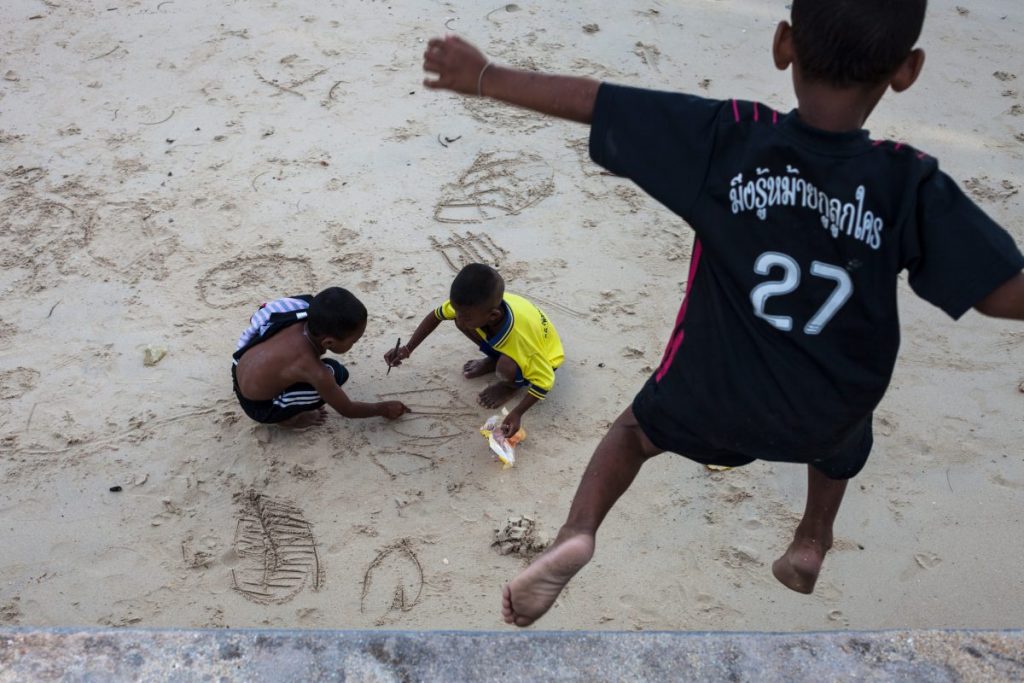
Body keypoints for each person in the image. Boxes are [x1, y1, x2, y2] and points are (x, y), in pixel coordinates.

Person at [421, 0, 1024, 627]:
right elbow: (999, 293)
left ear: (784, 44)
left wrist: (487, 76)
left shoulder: (732, 137)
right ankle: (811, 540)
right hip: (824, 413)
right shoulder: (908, 182)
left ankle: (578, 532)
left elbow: (599, 103)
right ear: (907, 70)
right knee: (850, 426)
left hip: (711, 393)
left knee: (632, 436)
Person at [384, 263, 564, 437]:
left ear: (493, 315)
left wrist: (517, 413)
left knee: (506, 367)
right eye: (457, 310)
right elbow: (436, 315)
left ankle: (511, 385)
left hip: (544, 354)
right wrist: (407, 348)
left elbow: (545, 380)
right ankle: (495, 358)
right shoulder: (471, 307)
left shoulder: (521, 341)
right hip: (515, 333)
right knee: (462, 323)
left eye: (466, 316)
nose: (459, 318)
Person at [232, 287, 408, 428]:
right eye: (354, 341)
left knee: (288, 308)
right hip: (259, 407)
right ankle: (287, 420)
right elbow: (347, 409)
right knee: (337, 373)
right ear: (328, 342)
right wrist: (383, 408)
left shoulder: (304, 310)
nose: (355, 343)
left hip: (239, 366)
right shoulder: (311, 367)